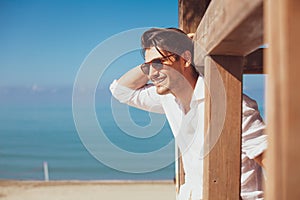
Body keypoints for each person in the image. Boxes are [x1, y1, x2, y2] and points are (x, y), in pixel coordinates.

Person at [109, 27, 267, 200]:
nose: (152, 74)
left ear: (185, 59)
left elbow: (275, 164)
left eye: (159, 63)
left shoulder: (233, 107)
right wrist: (151, 64)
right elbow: (121, 91)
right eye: (148, 67)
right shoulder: (168, 98)